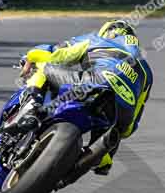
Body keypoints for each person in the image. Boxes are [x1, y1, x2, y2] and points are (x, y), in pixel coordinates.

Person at [16, 20, 153, 176]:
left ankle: (32, 110)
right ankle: (102, 158)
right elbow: (130, 126)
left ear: (107, 32)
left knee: (44, 65)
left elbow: (57, 54)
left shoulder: (97, 39)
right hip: (122, 111)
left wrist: (31, 56)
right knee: (112, 133)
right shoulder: (146, 72)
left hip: (93, 82)